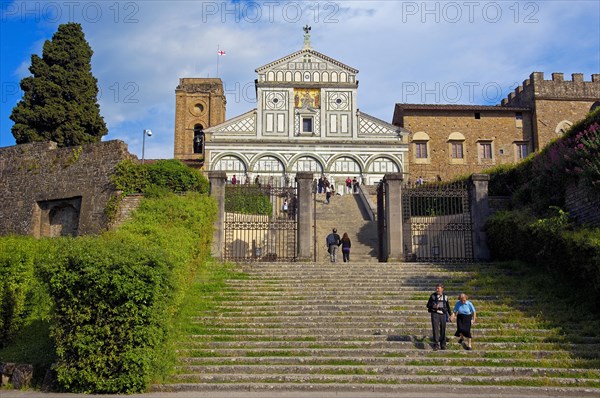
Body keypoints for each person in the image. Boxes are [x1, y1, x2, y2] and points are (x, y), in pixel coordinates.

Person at [426, 283, 451, 350]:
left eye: (438, 289)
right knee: (435, 329)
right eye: (436, 288)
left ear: (442, 289)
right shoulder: (433, 296)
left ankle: (443, 344)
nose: (437, 290)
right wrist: (433, 306)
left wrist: (450, 315)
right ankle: (436, 344)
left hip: (443, 314)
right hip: (435, 313)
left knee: (443, 329)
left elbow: (448, 306)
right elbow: (428, 305)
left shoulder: (445, 297)